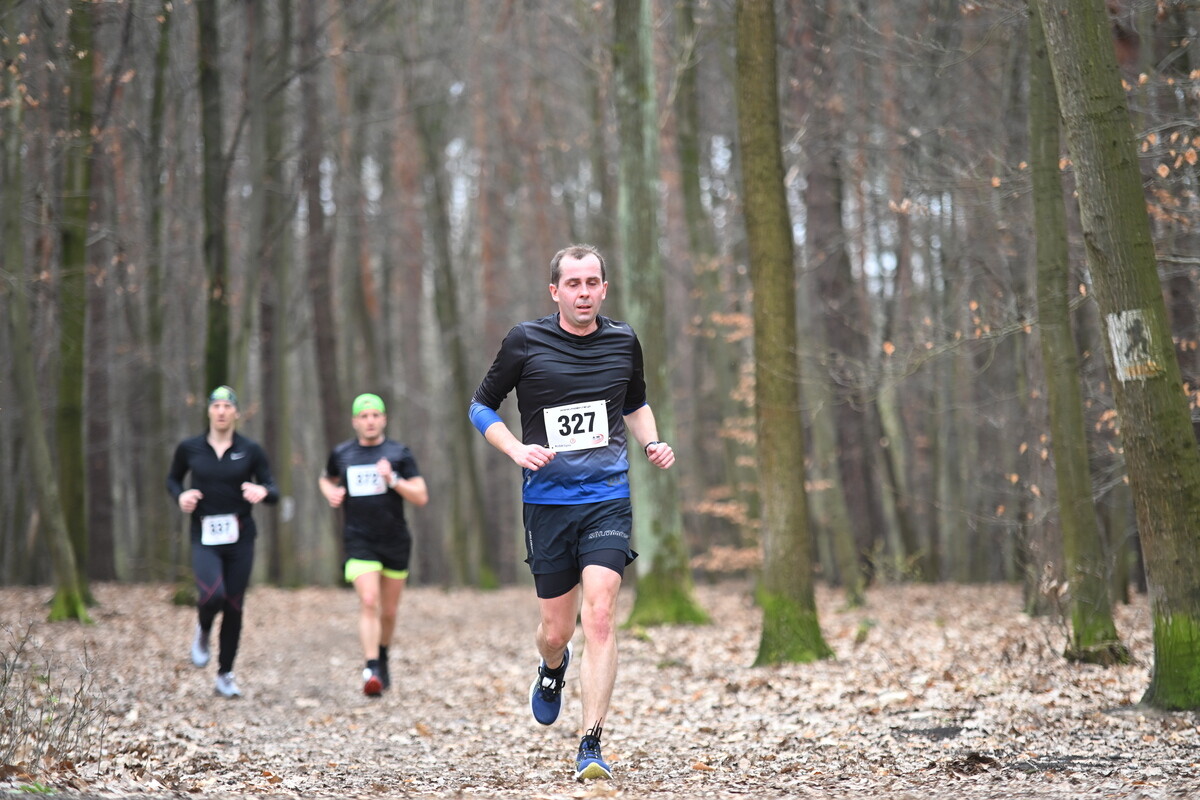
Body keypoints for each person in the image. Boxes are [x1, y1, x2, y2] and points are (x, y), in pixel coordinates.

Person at [468, 244, 675, 781]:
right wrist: (516, 450)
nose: (583, 293)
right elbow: (480, 404)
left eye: (592, 283)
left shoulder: (623, 340)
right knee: (556, 630)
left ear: (604, 288)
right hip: (547, 506)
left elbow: (634, 403)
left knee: (601, 615)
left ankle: (591, 742)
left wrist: (652, 443)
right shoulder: (526, 340)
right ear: (555, 291)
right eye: (573, 284)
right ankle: (551, 667)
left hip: (607, 498)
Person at [166, 385, 278, 698]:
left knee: (234, 606)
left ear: (236, 413)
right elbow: (173, 479)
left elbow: (273, 488)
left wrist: (263, 492)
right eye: (216, 406)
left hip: (240, 537)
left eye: (227, 406)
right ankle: (203, 630)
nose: (221, 411)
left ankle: (225, 674)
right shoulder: (190, 448)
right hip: (204, 535)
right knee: (213, 595)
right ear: (209, 411)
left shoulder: (250, 450)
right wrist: (181, 496)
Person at [319, 393, 428, 697]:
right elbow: (326, 478)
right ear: (355, 421)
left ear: (383, 419)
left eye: (375, 415)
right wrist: (331, 492)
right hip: (358, 539)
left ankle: (382, 656)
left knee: (389, 612)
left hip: (395, 540)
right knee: (369, 600)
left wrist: (392, 479)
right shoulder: (342, 454)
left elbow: (421, 495)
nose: (369, 421)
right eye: (363, 416)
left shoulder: (398, 453)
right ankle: (371, 668)